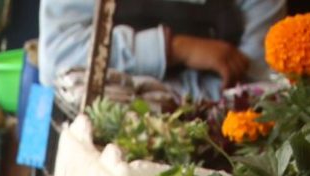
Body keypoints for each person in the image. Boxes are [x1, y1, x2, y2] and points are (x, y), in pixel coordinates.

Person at [39, 0, 284, 101]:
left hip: (220, 145)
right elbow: (56, 61)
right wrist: (173, 49)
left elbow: (259, 81)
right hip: (107, 143)